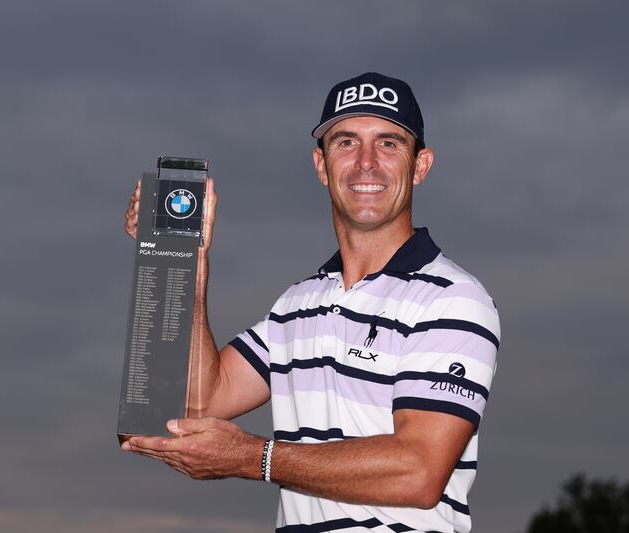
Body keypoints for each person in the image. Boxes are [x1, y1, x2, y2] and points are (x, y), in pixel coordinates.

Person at [122, 72, 500, 533]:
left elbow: (418, 472)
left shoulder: (453, 299)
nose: (366, 163)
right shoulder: (296, 305)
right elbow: (200, 404)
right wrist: (186, 264)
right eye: (345, 143)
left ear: (420, 165)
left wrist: (252, 458)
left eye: (388, 143)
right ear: (321, 166)